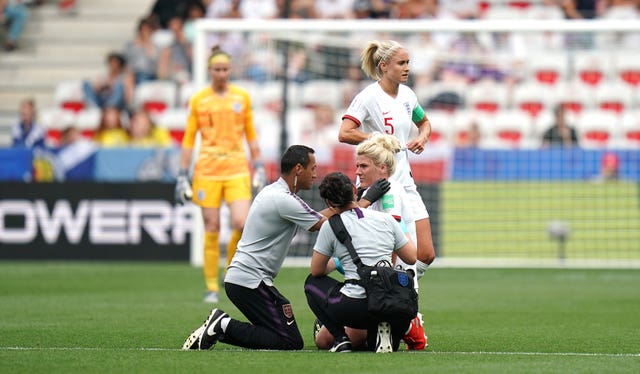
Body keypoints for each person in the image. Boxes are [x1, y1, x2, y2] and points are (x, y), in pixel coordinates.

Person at [181, 145, 328, 351]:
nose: (315, 174)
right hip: (249, 281)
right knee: (290, 341)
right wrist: (358, 205)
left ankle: (221, 326)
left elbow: (318, 218)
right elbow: (321, 223)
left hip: (245, 279)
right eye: (312, 168)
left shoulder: (275, 192)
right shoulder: (283, 199)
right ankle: (222, 325)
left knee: (282, 337)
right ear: (298, 169)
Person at [313, 133, 427, 351]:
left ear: (382, 168)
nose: (357, 171)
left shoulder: (389, 192)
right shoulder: (372, 193)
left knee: (331, 339)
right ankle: (387, 329)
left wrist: (382, 288)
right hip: (374, 281)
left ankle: (408, 325)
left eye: (363, 166)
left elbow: (389, 250)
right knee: (324, 340)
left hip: (388, 286)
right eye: (357, 166)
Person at [174, 45, 266, 303]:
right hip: (207, 170)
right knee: (211, 226)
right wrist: (183, 174)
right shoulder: (199, 100)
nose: (222, 74)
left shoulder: (241, 98)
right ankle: (211, 286)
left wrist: (258, 165)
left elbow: (251, 134)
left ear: (230, 70)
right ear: (209, 70)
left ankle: (229, 271)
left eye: (226, 69)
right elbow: (189, 139)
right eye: (217, 69)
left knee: (241, 223)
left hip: (237, 168)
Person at [338, 39, 436, 279]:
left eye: (408, 62)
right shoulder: (369, 97)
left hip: (406, 181)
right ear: (383, 66)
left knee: (425, 254)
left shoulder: (407, 95)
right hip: (380, 184)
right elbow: (345, 132)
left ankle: (399, 289)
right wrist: (377, 138)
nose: (407, 68)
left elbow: (424, 122)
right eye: (401, 63)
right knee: (388, 257)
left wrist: (422, 137)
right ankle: (387, 303)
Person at [304, 171, 417, 353]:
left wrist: (341, 260)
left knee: (311, 283)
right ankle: (383, 333)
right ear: (354, 190)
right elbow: (411, 257)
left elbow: (317, 271)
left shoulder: (330, 225)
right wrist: (401, 230)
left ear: (329, 203)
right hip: (390, 302)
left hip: (355, 308)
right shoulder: (387, 219)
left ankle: (341, 340)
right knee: (372, 324)